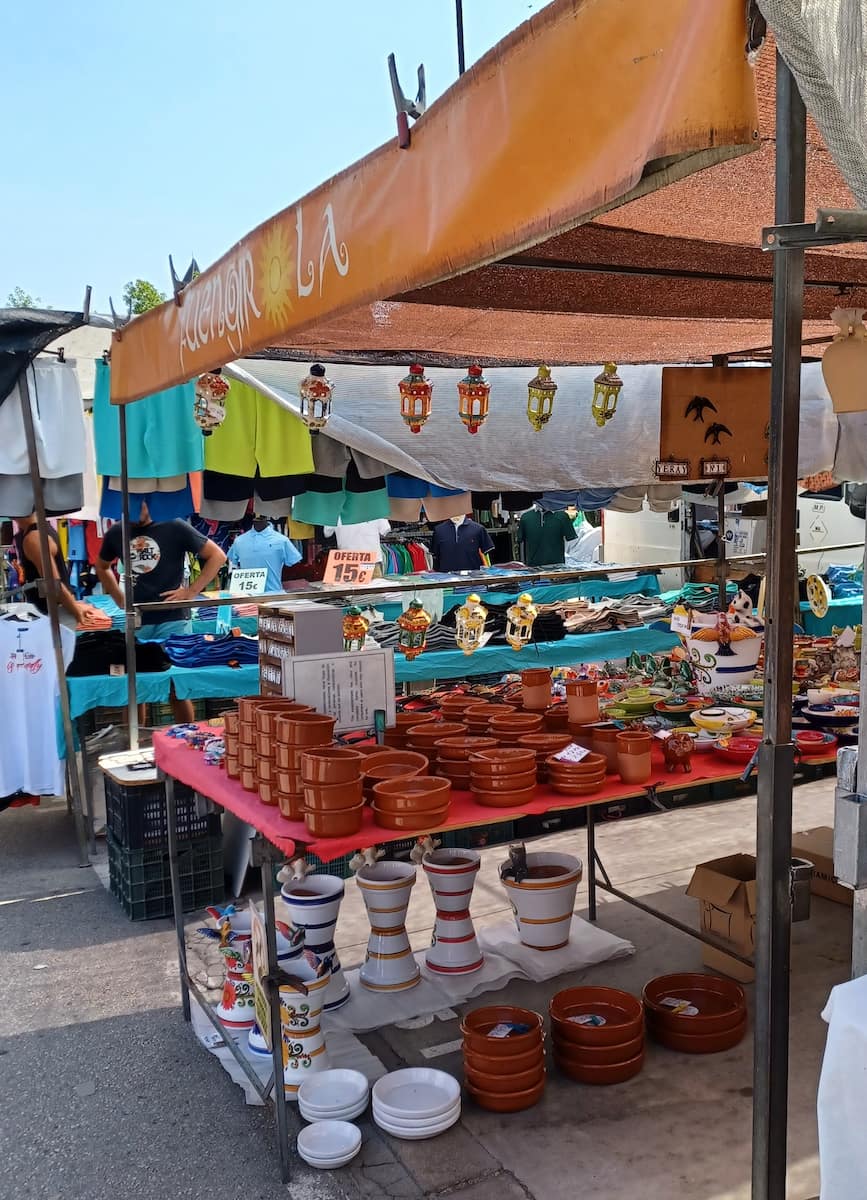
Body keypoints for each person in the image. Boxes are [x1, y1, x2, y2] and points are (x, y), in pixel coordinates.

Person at [95, 503, 227, 722]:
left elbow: (217, 556)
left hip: (173, 618)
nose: (137, 509)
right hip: (137, 619)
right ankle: (134, 741)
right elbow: (101, 566)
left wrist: (191, 591)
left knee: (177, 688)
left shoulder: (174, 526)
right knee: (135, 690)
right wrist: (119, 598)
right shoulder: (117, 532)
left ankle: (186, 735)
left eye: (141, 503)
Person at [13, 513, 103, 629]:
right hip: (52, 611)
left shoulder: (35, 537)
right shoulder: (36, 531)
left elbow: (53, 583)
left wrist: (76, 611)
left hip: (52, 615)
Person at [227, 515, 301, 593]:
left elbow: (293, 563)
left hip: (273, 594)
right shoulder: (239, 541)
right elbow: (232, 562)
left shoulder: (282, 540)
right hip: (246, 595)